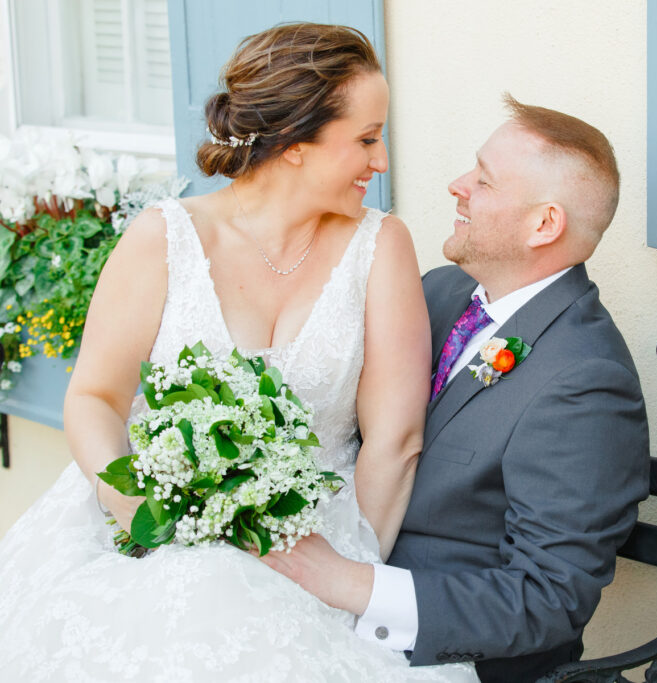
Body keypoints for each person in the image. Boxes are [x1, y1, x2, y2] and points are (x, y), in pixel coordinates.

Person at [0, 23, 477, 682]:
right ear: (295, 145)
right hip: (144, 519)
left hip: (313, 538)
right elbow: (94, 398)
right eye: (366, 139)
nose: (382, 161)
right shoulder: (163, 238)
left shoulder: (381, 245)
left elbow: (395, 442)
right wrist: (143, 516)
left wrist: (337, 573)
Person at [260, 95, 651, 683]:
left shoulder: (587, 381)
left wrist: (349, 583)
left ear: (544, 224)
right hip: (317, 588)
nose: (457, 185)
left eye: (485, 182)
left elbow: (549, 600)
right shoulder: (440, 293)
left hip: (433, 653)